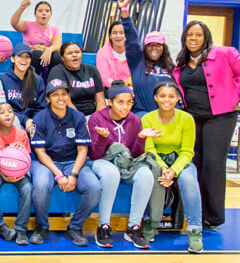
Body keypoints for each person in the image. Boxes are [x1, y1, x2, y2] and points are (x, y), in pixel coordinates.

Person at [172, 20, 240, 231]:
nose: (193, 39)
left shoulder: (224, 53)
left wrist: (236, 97)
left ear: (206, 37)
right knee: (196, 164)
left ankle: (213, 216)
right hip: (192, 118)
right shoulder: (182, 62)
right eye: (189, 35)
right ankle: (196, 214)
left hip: (220, 116)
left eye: (198, 35)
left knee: (213, 164)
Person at [29, 78, 100, 247]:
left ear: (68, 96)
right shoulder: (40, 118)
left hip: (72, 161)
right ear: (48, 98)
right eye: (55, 95)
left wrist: (73, 174)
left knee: (94, 187)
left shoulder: (78, 117)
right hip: (46, 162)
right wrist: (59, 174)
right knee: (40, 186)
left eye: (64, 94)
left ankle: (74, 228)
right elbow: (40, 152)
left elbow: (83, 150)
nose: (60, 98)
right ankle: (42, 227)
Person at [87, 80, 157, 249]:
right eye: (120, 102)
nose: (125, 107)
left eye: (129, 102)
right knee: (111, 173)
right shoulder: (97, 118)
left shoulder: (134, 120)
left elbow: (134, 154)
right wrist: (103, 138)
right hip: (101, 162)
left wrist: (141, 138)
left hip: (126, 163)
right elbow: (95, 155)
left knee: (146, 174)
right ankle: (103, 226)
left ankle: (133, 228)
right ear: (110, 102)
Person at [141, 81, 203, 254]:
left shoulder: (186, 119)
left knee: (189, 180)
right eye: (162, 96)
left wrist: (174, 170)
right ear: (155, 97)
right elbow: (149, 149)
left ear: (177, 98)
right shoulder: (147, 118)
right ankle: (149, 221)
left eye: (171, 96)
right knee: (150, 176)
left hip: (180, 161)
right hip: (156, 161)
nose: (166, 100)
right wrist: (163, 168)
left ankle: (194, 229)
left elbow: (187, 151)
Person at [117, 0, 174, 116]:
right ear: (145, 47)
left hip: (168, 116)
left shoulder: (170, 67)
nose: (154, 48)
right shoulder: (138, 63)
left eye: (158, 45)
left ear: (164, 47)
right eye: (150, 45)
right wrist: (124, 11)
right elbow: (132, 40)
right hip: (144, 115)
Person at [0, 102, 32, 245]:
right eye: (3, 112)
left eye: (10, 111)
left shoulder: (22, 134)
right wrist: (4, 174)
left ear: (14, 115)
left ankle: (21, 229)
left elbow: (26, 159)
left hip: (18, 170)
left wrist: (22, 149)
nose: (7, 114)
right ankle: (0, 225)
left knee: (28, 188)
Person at [48, 41, 106, 116]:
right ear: (62, 57)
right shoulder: (57, 71)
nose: (74, 55)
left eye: (77, 52)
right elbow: (65, 102)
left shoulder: (92, 69)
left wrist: (97, 118)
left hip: (92, 114)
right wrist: (80, 120)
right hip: (69, 115)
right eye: (70, 53)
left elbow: (100, 98)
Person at [11, 0, 62, 83]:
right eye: (40, 11)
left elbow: (57, 44)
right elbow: (14, 23)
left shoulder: (55, 30)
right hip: (31, 59)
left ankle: (53, 83)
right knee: (37, 54)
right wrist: (21, 8)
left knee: (57, 55)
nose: (44, 13)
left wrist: (49, 49)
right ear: (35, 14)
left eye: (47, 11)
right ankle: (32, 82)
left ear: (51, 14)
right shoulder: (28, 25)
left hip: (47, 60)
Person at [0, 43, 46, 130]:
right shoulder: (3, 80)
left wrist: (33, 122)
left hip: (33, 121)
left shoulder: (38, 80)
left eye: (27, 57)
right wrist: (25, 120)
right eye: (20, 56)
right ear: (12, 59)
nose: (24, 59)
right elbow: (4, 108)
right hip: (12, 120)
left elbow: (41, 108)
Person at [96, 20, 130, 88]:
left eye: (122, 32)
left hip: (131, 90)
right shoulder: (102, 53)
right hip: (110, 89)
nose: (118, 36)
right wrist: (120, 88)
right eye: (114, 33)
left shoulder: (134, 52)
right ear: (110, 36)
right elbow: (104, 78)